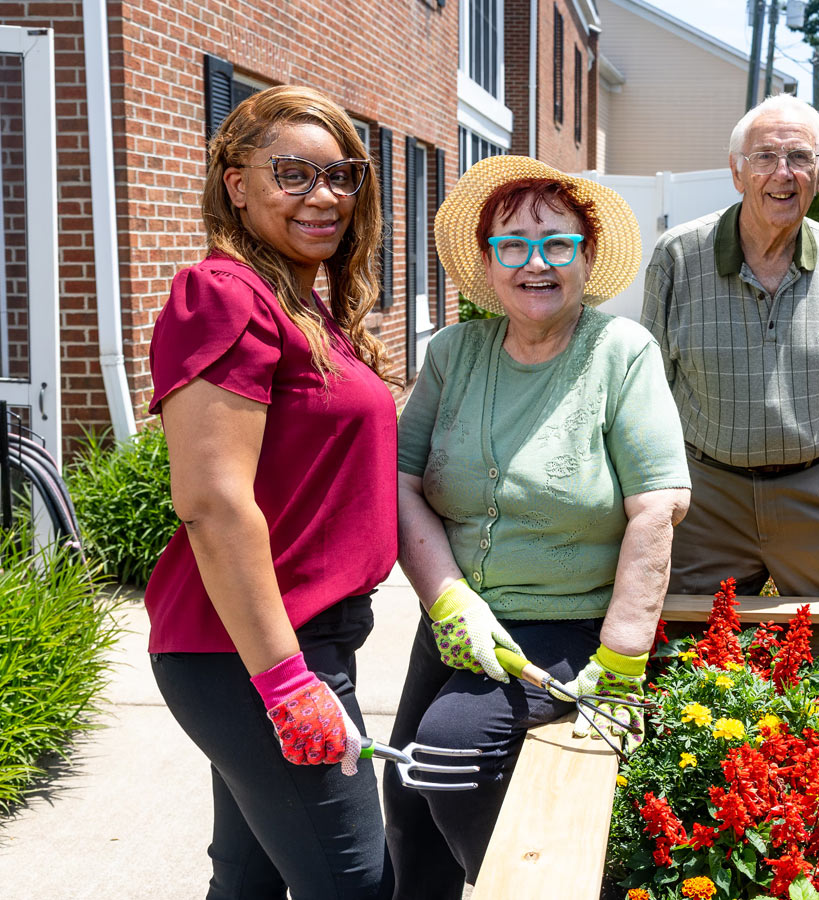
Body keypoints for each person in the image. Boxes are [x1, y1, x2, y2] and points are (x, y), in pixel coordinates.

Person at [382, 154, 691, 899]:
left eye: (557, 244)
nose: (535, 263)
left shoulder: (620, 353)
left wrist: (621, 662)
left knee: (448, 754)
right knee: (407, 808)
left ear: (586, 257)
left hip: (570, 623)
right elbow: (399, 479)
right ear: (488, 264)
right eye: (512, 243)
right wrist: (447, 597)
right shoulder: (453, 353)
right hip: (458, 620)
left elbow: (658, 504)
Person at [144, 85, 398, 899]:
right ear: (236, 183)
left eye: (342, 175)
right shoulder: (224, 293)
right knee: (355, 884)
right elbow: (213, 501)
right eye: (292, 173)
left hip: (290, 640)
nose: (324, 197)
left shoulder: (302, 303)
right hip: (255, 653)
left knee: (249, 879)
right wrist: (287, 683)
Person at [642, 93, 819, 608]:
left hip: (816, 492)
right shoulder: (678, 257)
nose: (782, 174)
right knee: (669, 645)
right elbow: (644, 398)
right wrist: (643, 510)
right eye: (764, 157)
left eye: (800, 158)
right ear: (737, 171)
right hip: (705, 496)